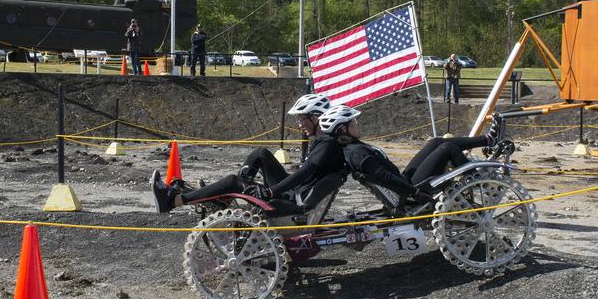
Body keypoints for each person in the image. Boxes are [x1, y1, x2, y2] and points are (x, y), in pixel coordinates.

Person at [151, 93, 341, 213]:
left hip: (293, 199)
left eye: (302, 119)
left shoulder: (326, 143)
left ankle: (174, 201)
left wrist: (270, 191)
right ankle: (227, 197)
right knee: (261, 153)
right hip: (295, 193)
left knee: (232, 181)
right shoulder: (322, 141)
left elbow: (302, 174)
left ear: (315, 117)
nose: (299, 124)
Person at [324, 105, 497, 206]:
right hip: (408, 189)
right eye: (353, 122)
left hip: (404, 181)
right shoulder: (356, 152)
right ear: (343, 129)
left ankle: (488, 140)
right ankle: (478, 181)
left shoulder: (353, 147)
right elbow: (382, 176)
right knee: (446, 148)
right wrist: (414, 192)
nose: (357, 123)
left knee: (435, 142)